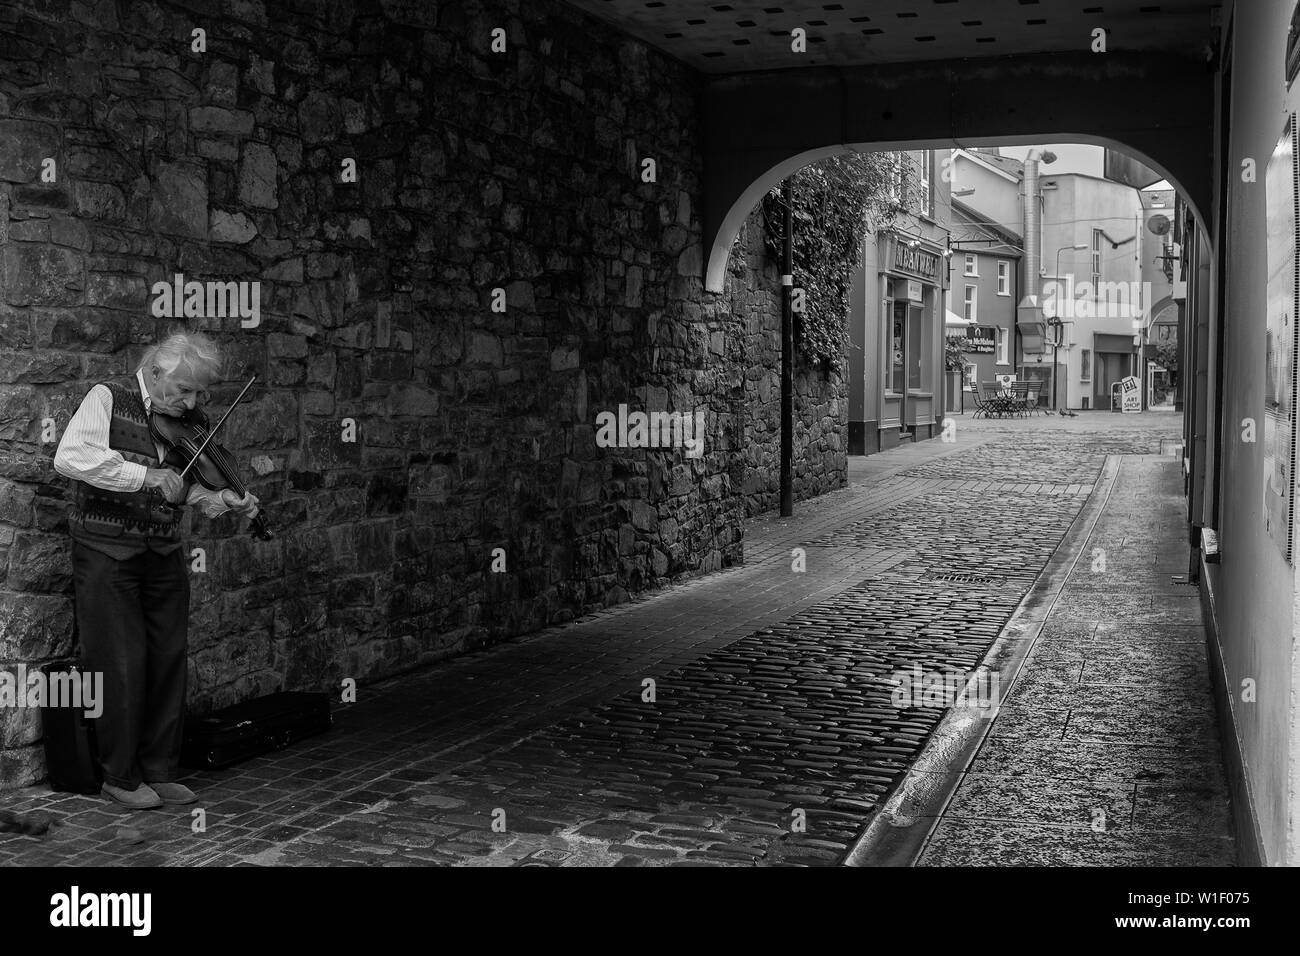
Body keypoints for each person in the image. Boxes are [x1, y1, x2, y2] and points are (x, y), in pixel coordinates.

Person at [53, 331, 260, 810]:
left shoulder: (187, 423)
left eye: (199, 394)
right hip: (107, 549)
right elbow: (70, 457)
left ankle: (160, 769)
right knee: (119, 663)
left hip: (162, 550)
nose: (191, 403)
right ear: (155, 371)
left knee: (169, 657)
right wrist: (144, 474)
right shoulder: (108, 397)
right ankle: (119, 778)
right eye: (184, 390)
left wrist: (223, 498)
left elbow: (187, 490)